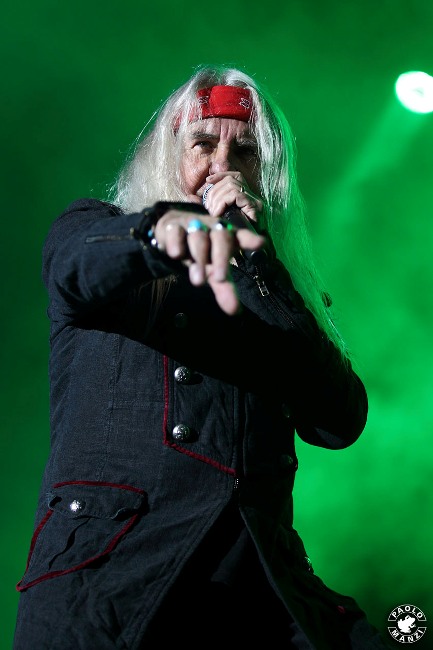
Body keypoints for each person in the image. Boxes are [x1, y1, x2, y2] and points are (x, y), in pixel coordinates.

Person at [13, 64, 392, 649]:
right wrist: (166, 233)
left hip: (257, 583)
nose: (222, 167)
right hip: (117, 574)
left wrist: (261, 267)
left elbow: (338, 421)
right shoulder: (100, 231)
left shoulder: (278, 292)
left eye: (245, 152)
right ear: (169, 154)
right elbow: (74, 268)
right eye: (203, 144)